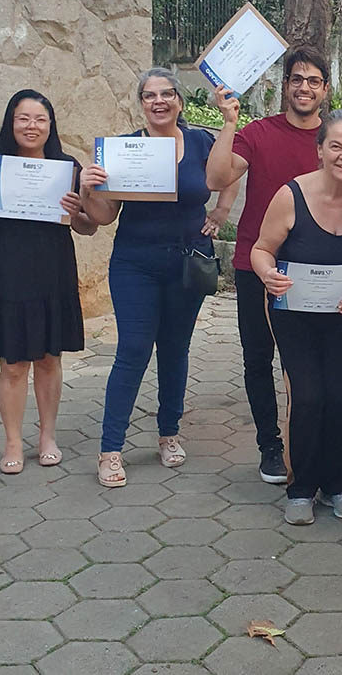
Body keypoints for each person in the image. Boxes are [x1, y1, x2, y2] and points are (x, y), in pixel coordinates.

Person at [81, 68, 238, 488]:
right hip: (136, 263)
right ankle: (110, 448)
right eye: (149, 95)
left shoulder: (202, 141)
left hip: (188, 262)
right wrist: (87, 188)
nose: (159, 101)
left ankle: (169, 433)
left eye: (167, 93)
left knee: (174, 349)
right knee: (133, 349)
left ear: (179, 101)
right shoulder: (124, 149)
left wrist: (222, 210)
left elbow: (232, 172)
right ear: (141, 104)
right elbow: (103, 216)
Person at [251, 109, 342, 526]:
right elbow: (261, 249)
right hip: (293, 315)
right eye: (336, 146)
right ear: (320, 150)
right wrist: (268, 275)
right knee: (308, 396)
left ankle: (339, 484)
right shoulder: (290, 195)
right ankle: (301, 488)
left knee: (339, 396)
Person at [0, 90, 97, 474]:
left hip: (52, 274)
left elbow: (88, 228)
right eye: (23, 118)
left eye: (40, 119)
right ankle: (13, 442)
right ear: (10, 122)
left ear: (50, 125)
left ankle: (47, 436)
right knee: (13, 365)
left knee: (49, 359)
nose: (32, 126)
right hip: (6, 276)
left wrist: (78, 212)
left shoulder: (66, 167)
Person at [206, 47, 328, 485]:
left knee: (307, 365)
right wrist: (228, 122)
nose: (304, 88)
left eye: (313, 81)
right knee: (258, 359)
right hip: (255, 264)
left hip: (316, 271)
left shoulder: (331, 139)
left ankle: (307, 445)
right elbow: (217, 178)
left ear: (325, 89)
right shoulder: (257, 133)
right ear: (285, 85)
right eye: (297, 79)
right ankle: (270, 447)